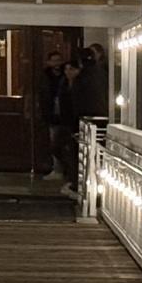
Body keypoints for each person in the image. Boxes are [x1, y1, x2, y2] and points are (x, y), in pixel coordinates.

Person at [48, 61, 82, 198]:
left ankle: (74, 180)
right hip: (64, 121)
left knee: (71, 151)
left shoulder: (79, 85)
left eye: (71, 69)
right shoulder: (64, 84)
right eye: (66, 69)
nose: (68, 72)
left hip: (73, 123)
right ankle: (70, 176)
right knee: (58, 147)